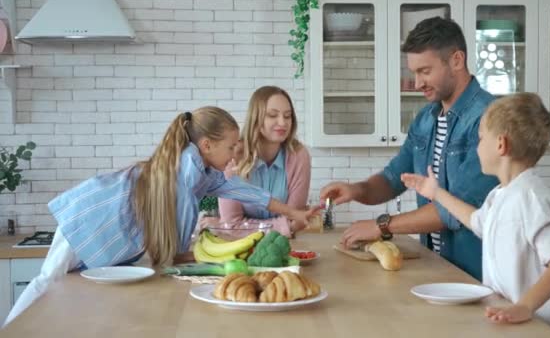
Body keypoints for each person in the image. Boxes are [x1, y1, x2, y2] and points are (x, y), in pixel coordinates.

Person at [3, 106, 318, 327]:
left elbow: (246, 192)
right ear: (207, 145)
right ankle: (10, 328)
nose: (236, 153)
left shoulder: (202, 168)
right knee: (48, 282)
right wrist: (198, 260)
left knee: (62, 289)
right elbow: (178, 244)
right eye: (232, 147)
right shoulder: (186, 171)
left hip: (103, 222)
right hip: (91, 218)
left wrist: (293, 211)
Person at [320, 16, 498, 280]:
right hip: (437, 268)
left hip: (478, 275)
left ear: (457, 61)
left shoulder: (489, 118)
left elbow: (457, 209)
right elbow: (394, 179)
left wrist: (382, 226)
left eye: (425, 71)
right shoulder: (426, 119)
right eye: (414, 72)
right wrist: (357, 190)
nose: (417, 83)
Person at [401, 93, 550, 337]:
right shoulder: (500, 195)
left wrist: (525, 306)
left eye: (480, 139)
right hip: (522, 322)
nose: (477, 147)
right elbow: (476, 221)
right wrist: (437, 193)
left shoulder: (531, 198)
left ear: (501, 145)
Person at [217, 86, 311, 237]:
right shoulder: (233, 156)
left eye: (287, 116)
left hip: (285, 245)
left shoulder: (299, 156)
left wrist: (244, 227)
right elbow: (232, 225)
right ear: (256, 118)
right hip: (239, 247)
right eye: (272, 115)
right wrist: (283, 226)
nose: (282, 122)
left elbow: (294, 219)